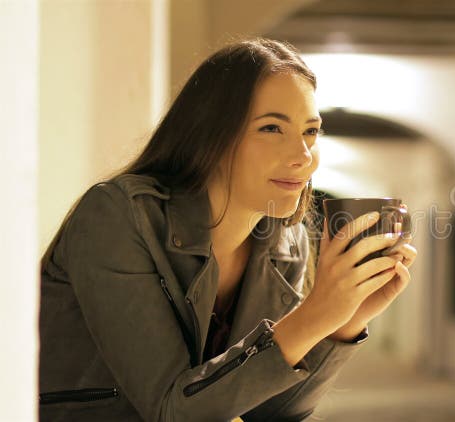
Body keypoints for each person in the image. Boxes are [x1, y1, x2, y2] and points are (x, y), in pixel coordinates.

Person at [38, 38, 417, 422]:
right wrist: (316, 313)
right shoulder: (118, 216)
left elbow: (268, 411)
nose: (303, 155)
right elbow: (172, 411)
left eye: (311, 132)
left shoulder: (286, 242)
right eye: (271, 128)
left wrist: (346, 322)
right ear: (212, 135)